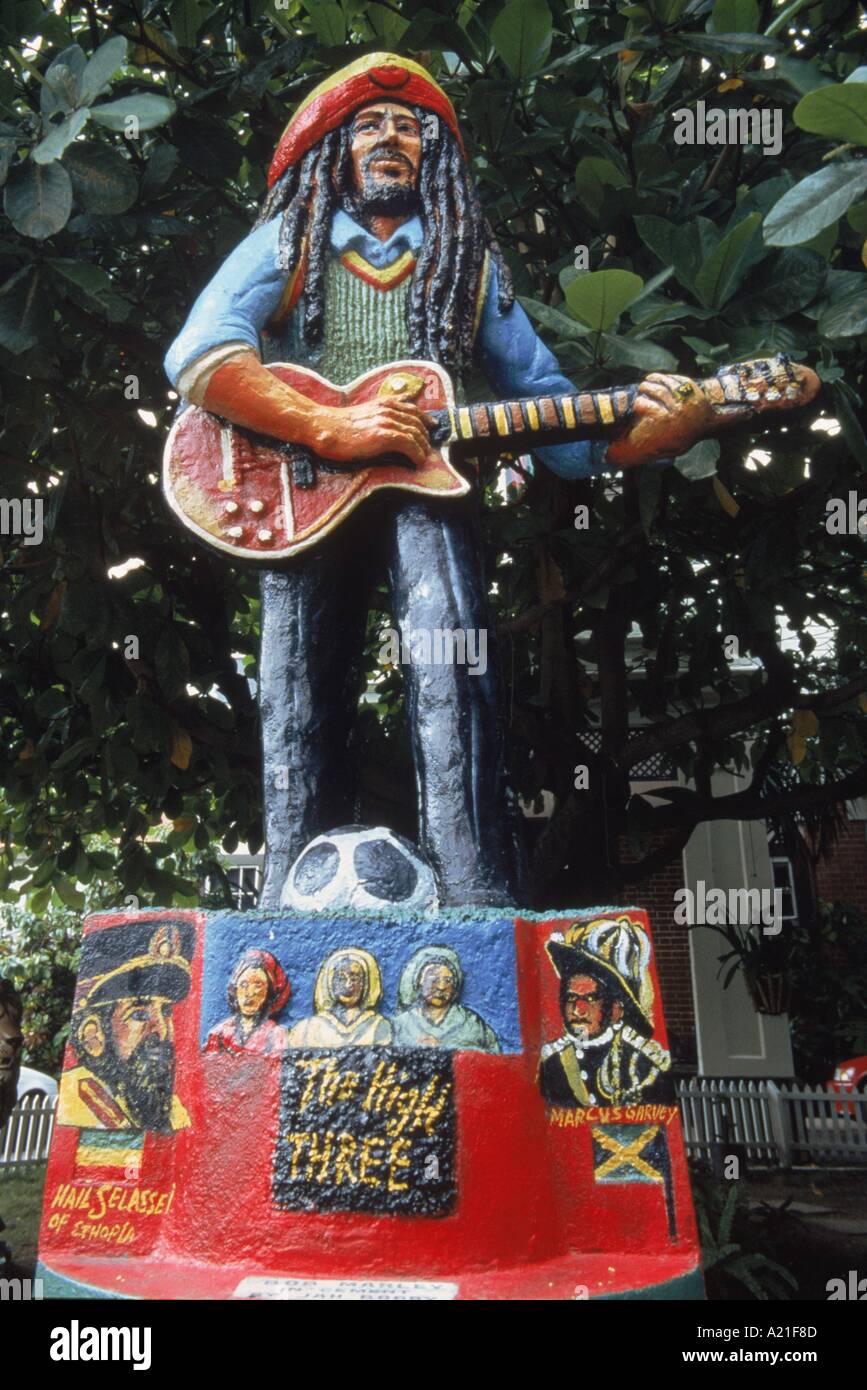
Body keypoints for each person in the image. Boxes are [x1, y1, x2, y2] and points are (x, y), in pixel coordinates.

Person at [164, 52, 720, 910]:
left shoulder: (468, 264)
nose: (392, 138)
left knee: (453, 662)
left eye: (411, 128)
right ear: (330, 150)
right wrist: (327, 425)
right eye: (369, 124)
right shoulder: (289, 240)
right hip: (300, 488)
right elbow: (199, 354)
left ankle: (472, 886)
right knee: (297, 685)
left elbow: (552, 419)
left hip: (427, 489)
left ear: (436, 158)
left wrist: (647, 440)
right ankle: (284, 891)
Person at [57, 920, 194, 1133]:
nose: (161, 1030)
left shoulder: (174, 1111)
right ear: (94, 1032)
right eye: (139, 1014)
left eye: (165, 1012)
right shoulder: (79, 1101)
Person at [538, 915, 671, 1108]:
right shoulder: (552, 1065)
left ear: (616, 1010)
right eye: (572, 998)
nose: (578, 1010)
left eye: (590, 999)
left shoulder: (643, 1066)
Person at [392, 945, 499, 1051]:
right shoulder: (401, 1024)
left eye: (448, 980)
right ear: (419, 981)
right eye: (434, 980)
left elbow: (494, 1059)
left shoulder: (472, 1023)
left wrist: (449, 1051)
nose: (441, 987)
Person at [287, 947, 391, 1048]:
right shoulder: (307, 1029)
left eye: (354, 978)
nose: (347, 985)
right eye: (340, 979)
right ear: (330, 982)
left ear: (365, 983)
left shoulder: (378, 1026)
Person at [205, 947, 290, 1056]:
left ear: (269, 992)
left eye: (258, 985)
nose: (250, 993)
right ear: (235, 990)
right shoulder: (219, 1033)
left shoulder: (275, 1034)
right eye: (243, 985)